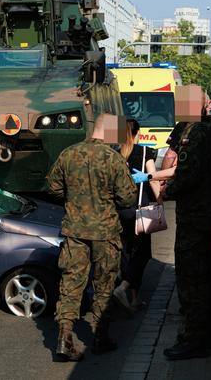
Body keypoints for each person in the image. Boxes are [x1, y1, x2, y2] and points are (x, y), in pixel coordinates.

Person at [47, 113, 137, 362]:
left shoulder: (69, 153)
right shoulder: (113, 158)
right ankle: (100, 337)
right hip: (105, 233)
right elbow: (128, 198)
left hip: (75, 231)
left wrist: (75, 198)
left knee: (71, 285)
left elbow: (53, 187)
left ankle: (64, 340)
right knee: (104, 286)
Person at [160, 118, 211, 361]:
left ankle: (193, 339)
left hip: (194, 221)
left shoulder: (193, 135)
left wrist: (165, 191)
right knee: (208, 277)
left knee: (191, 280)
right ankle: (206, 335)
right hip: (210, 218)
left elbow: (186, 176)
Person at [114, 119, 162, 312]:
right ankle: (124, 287)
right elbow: (153, 179)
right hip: (139, 210)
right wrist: (160, 200)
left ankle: (134, 298)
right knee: (142, 253)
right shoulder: (144, 152)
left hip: (118, 210)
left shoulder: (114, 153)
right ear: (137, 133)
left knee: (125, 253)